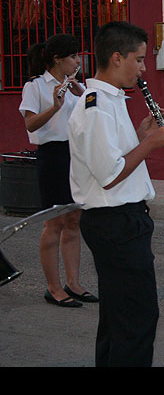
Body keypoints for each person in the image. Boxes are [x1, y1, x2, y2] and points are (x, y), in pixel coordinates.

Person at [68, 21, 164, 366]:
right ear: (117, 58)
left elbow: (112, 157)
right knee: (136, 319)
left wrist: (140, 136)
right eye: (139, 59)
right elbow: (110, 175)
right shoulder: (97, 106)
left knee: (119, 318)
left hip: (122, 220)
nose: (143, 69)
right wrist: (149, 144)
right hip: (115, 222)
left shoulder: (110, 100)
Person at [19, 34, 97, 308]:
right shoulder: (36, 86)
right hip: (53, 155)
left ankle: (73, 283)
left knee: (74, 220)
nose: (77, 61)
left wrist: (82, 94)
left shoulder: (76, 86)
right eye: (73, 57)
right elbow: (30, 124)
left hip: (76, 154)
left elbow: (93, 117)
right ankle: (53, 287)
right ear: (57, 59)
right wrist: (55, 107)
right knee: (54, 223)